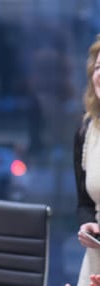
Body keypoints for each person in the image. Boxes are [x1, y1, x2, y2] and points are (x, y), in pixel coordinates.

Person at [73, 37, 100, 286]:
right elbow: (84, 201)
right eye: (99, 67)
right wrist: (87, 223)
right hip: (94, 262)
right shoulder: (87, 128)